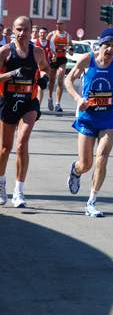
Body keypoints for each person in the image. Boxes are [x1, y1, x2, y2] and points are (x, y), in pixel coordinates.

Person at [65, 27, 113, 217]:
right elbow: (69, 80)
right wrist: (78, 99)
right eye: (107, 45)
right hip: (87, 118)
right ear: (99, 45)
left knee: (102, 158)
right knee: (86, 164)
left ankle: (91, 202)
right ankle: (76, 170)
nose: (110, 49)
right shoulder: (87, 59)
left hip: (109, 118)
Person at [0, 16, 49, 208]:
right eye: (18, 29)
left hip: (29, 103)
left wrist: (44, 78)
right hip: (7, 102)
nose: (22, 33)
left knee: (22, 145)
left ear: (31, 32)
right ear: (13, 30)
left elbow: (45, 68)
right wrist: (13, 74)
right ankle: (1, 184)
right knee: (5, 149)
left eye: (26, 29)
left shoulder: (37, 51)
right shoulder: (4, 51)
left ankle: (18, 192)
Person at [47, 20, 73, 112]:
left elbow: (71, 45)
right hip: (53, 59)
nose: (58, 26)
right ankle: (50, 99)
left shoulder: (67, 35)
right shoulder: (52, 34)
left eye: (61, 24)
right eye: (57, 24)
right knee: (52, 81)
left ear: (64, 25)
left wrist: (71, 50)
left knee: (61, 80)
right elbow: (46, 44)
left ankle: (58, 103)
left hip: (62, 59)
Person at [34, 27, 56, 106]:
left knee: (41, 87)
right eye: (41, 32)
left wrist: (54, 57)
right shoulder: (34, 42)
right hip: (34, 67)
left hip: (44, 68)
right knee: (33, 86)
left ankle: (38, 106)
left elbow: (54, 53)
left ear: (47, 34)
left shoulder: (50, 43)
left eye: (44, 33)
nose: (42, 34)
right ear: (38, 33)